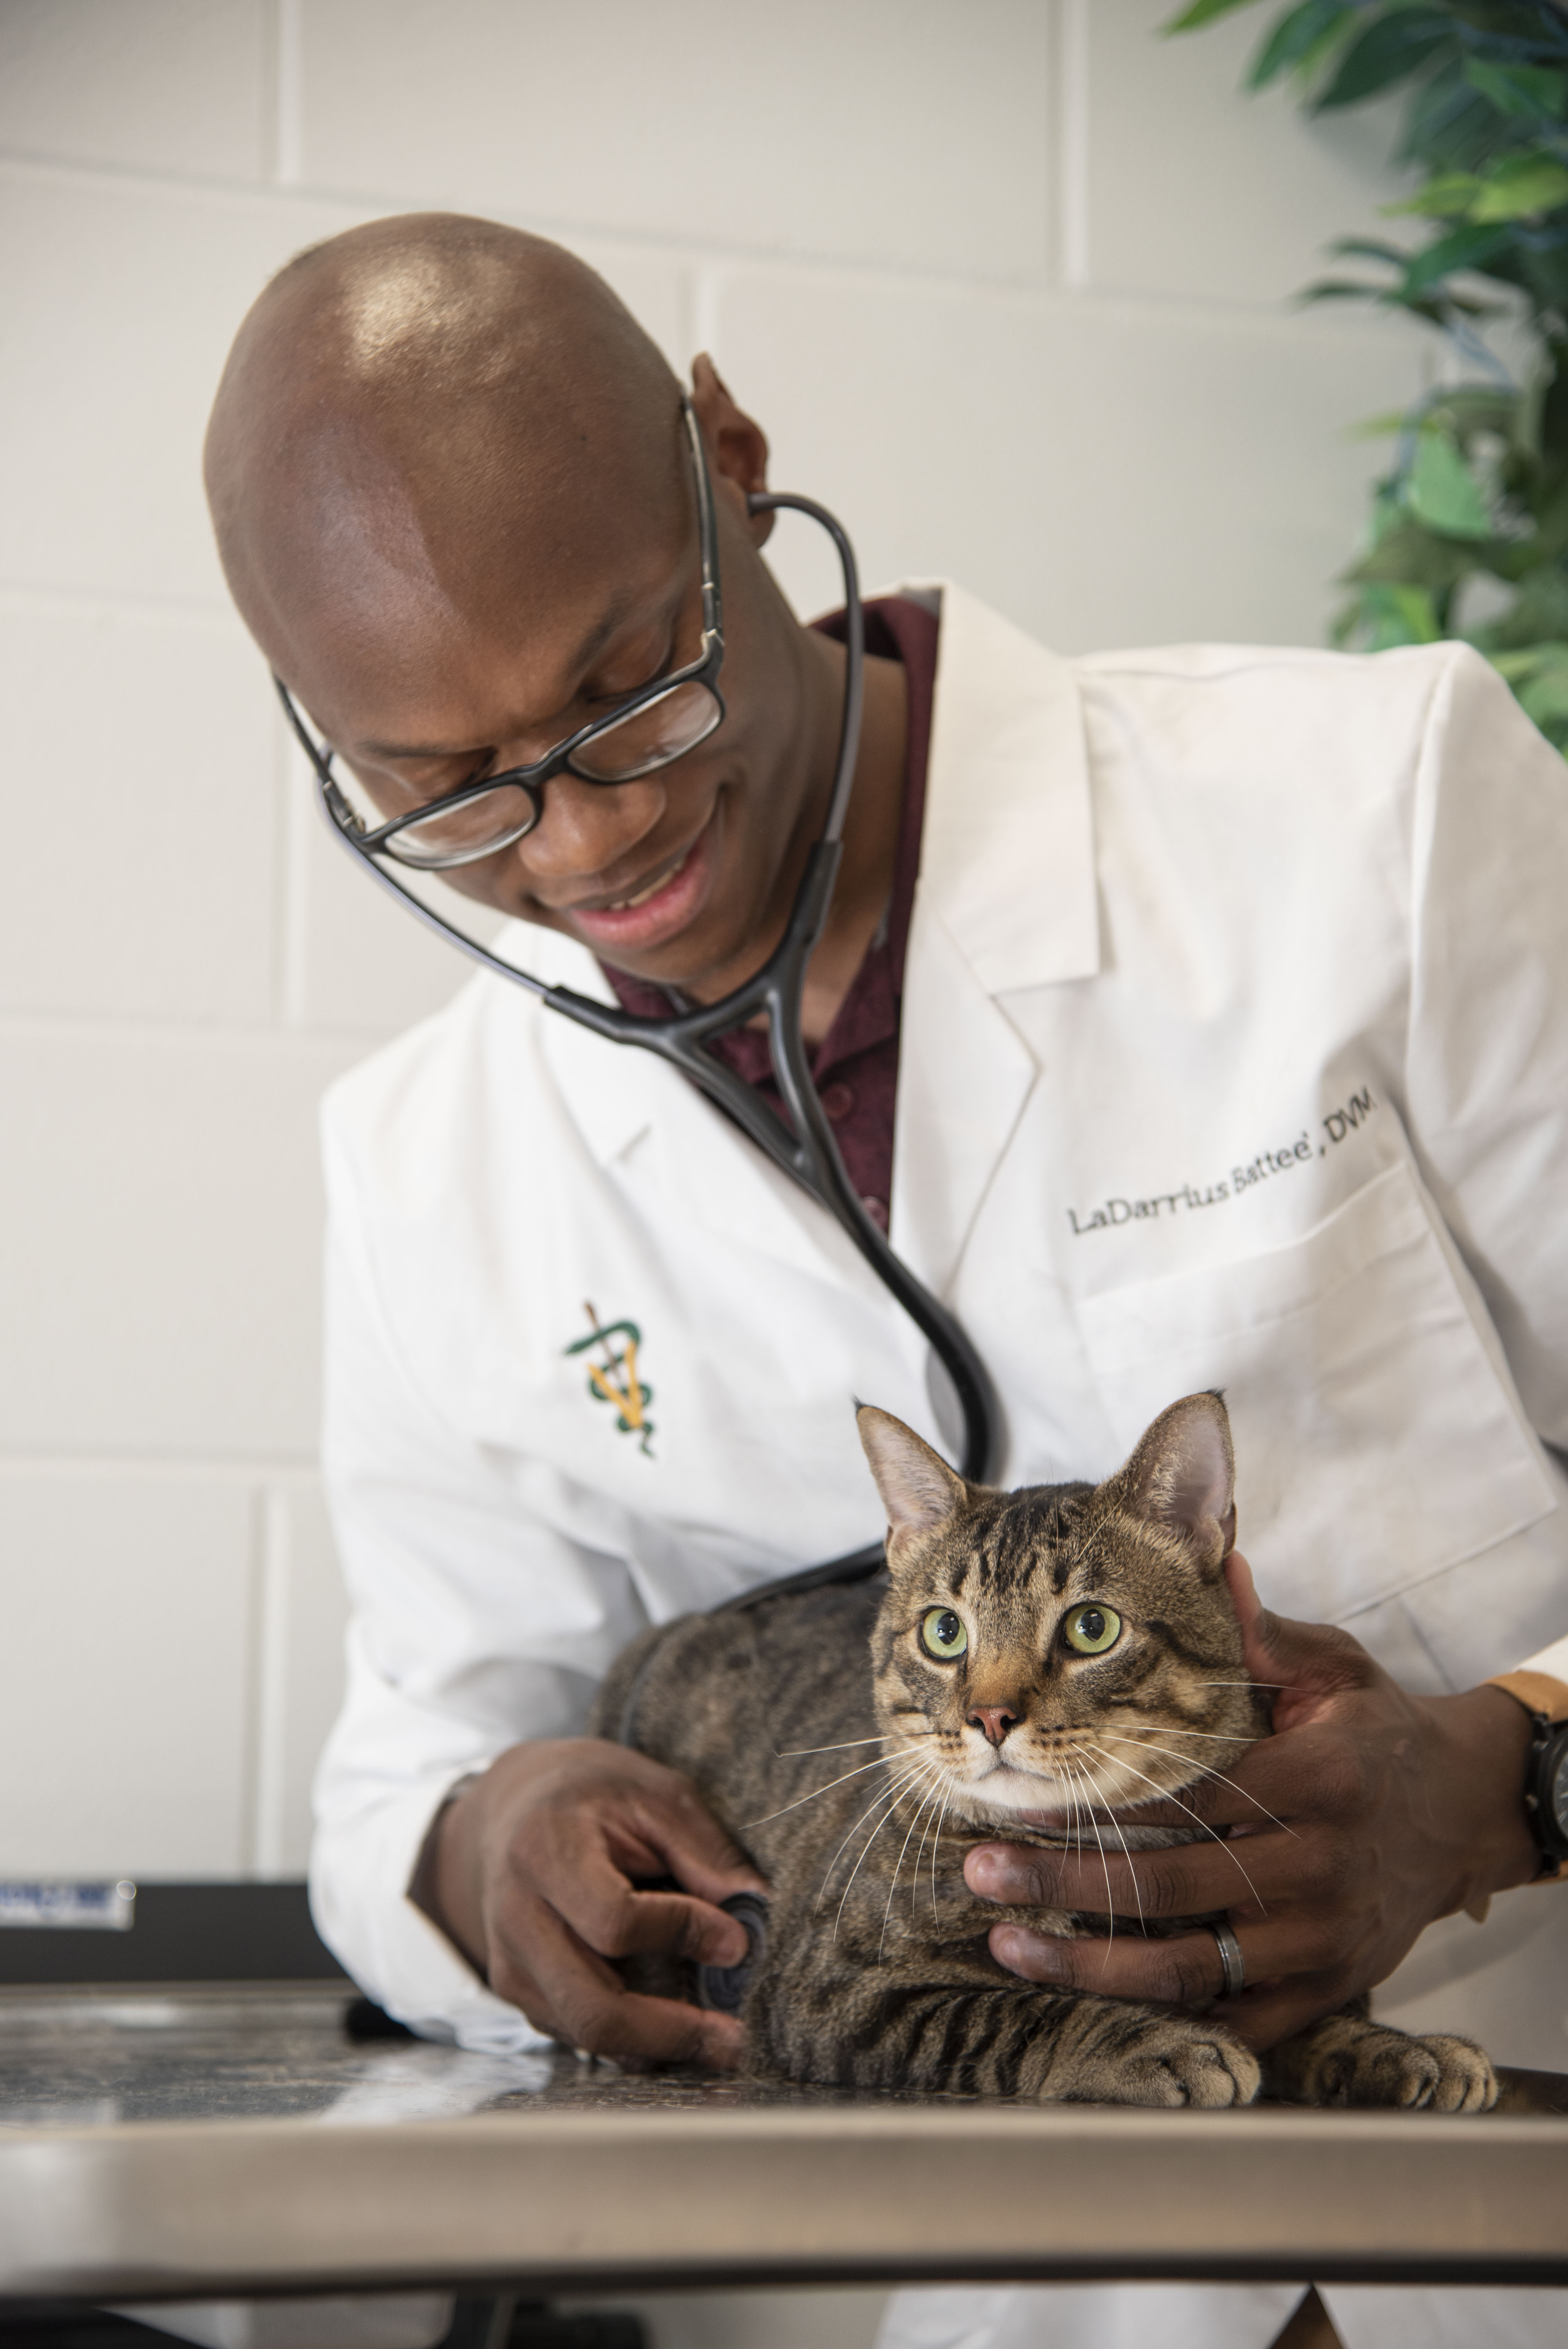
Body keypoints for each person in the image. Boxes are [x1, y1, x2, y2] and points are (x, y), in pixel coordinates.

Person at [204, 212, 1568, 2349]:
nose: (579, 850)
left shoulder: (1369, 814)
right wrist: (499, 1841)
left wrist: (1512, 1778)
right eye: (447, 793)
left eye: (624, 688)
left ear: (731, 463)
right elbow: (410, 1769)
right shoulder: (425, 1166)